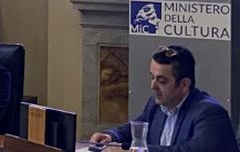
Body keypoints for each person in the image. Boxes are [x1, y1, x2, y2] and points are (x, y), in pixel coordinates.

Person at [90, 45, 238, 151]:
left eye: (162, 81)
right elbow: (137, 128)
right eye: (152, 77)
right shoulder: (155, 105)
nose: (153, 86)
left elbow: (190, 150)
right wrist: (111, 136)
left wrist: (134, 150)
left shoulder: (210, 113)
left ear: (184, 84)